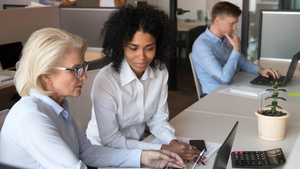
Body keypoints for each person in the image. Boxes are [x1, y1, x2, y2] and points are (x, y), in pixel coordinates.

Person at [0, 28, 186, 169]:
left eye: (83, 67)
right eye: (76, 70)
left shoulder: (57, 106)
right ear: (46, 76)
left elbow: (87, 151)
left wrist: (143, 157)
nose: (84, 77)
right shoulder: (33, 118)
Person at [86, 5, 205, 165]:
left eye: (149, 48)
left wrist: (172, 142)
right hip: (106, 154)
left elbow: (158, 120)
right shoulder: (107, 81)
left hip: (141, 146)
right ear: (121, 46)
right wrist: (162, 148)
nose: (141, 57)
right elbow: (111, 140)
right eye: (133, 48)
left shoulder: (160, 71)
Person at [192, 1, 280, 97]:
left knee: (268, 95)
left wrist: (260, 70)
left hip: (231, 89)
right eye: (232, 23)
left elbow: (243, 62)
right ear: (217, 21)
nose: (235, 28)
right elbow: (223, 79)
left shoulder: (226, 39)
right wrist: (236, 49)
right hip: (214, 97)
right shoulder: (202, 45)